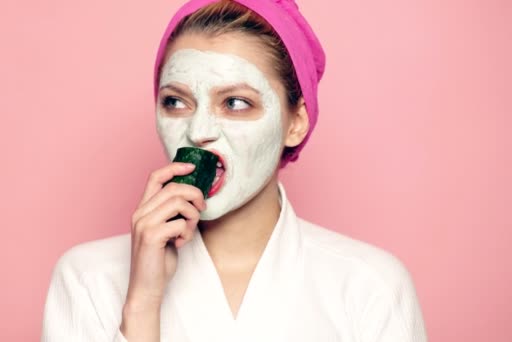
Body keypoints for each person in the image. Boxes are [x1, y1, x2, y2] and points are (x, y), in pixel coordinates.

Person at [40, 0, 428, 341]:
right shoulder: (87, 278)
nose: (199, 131)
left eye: (236, 103)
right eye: (176, 101)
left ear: (295, 123)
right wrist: (142, 305)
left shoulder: (370, 286)